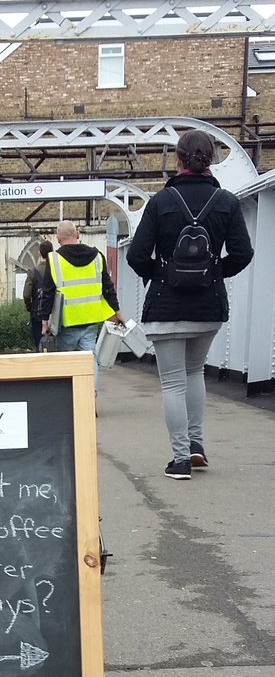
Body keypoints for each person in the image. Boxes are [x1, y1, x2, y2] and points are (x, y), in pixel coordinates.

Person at [126, 129, 254, 479]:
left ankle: (180, 459)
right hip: (207, 307)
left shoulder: (160, 202)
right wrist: (214, 273)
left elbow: (137, 255)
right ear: (210, 159)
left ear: (179, 160)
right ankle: (197, 447)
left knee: (172, 383)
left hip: (166, 307)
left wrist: (161, 275)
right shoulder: (226, 202)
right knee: (195, 373)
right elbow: (243, 253)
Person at [40, 220, 125, 401]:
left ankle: (71, 399)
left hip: (67, 321)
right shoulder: (97, 256)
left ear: (58, 238)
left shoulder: (54, 259)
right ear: (78, 234)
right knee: (90, 359)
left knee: (69, 361)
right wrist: (117, 311)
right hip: (91, 319)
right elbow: (108, 288)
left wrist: (44, 322)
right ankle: (90, 396)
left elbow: (46, 293)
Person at [23, 238, 53, 350]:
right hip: (53, 314)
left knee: (39, 343)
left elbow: (26, 294)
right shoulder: (57, 270)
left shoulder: (33, 272)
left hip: (37, 313)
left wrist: (30, 308)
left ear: (39, 253)